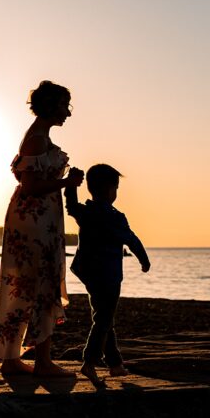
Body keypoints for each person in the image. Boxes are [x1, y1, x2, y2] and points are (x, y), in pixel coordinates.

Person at [0, 81, 84, 377]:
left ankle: (14, 358)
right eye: (63, 106)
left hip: (40, 220)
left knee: (31, 285)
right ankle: (41, 362)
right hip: (34, 222)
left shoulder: (39, 137)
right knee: (39, 285)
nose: (67, 113)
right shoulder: (37, 140)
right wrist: (66, 183)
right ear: (50, 106)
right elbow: (30, 187)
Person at [65, 163, 150, 384]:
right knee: (103, 319)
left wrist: (72, 185)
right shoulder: (115, 217)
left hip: (88, 273)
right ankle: (89, 362)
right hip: (108, 276)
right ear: (109, 189)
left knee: (104, 316)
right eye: (116, 188)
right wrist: (144, 260)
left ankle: (115, 364)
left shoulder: (86, 211)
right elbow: (132, 240)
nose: (116, 193)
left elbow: (71, 206)